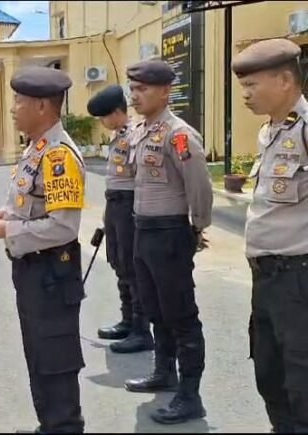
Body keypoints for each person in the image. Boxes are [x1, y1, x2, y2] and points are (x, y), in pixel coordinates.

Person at [0, 66, 86, 433]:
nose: (12, 109)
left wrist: (4, 229)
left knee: (54, 357)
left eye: (19, 101)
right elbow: (31, 207)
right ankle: (49, 425)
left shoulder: (59, 157)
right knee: (38, 353)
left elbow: (62, 226)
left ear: (41, 106)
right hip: (33, 271)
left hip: (52, 272)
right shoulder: (37, 149)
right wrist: (0, 215)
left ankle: (64, 426)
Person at [123, 59, 213, 424]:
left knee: (181, 314)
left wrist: (197, 228)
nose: (135, 96)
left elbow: (200, 187)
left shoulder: (179, 134)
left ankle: (190, 396)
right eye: (133, 89)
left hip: (170, 233)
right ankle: (164, 371)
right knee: (153, 306)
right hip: (142, 229)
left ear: (164, 91)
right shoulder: (142, 130)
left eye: (142, 89)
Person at [233, 38, 308, 433]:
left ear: (284, 80)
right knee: (270, 375)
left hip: (298, 278)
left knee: (302, 383)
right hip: (267, 279)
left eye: (251, 86)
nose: (245, 95)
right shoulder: (272, 132)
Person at [86, 85, 154, 354]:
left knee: (132, 267)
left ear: (117, 113)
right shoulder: (118, 137)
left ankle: (141, 329)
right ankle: (127, 320)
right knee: (118, 262)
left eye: (104, 117)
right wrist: (106, 220)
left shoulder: (135, 135)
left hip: (130, 207)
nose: (102, 123)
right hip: (115, 206)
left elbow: (141, 177)